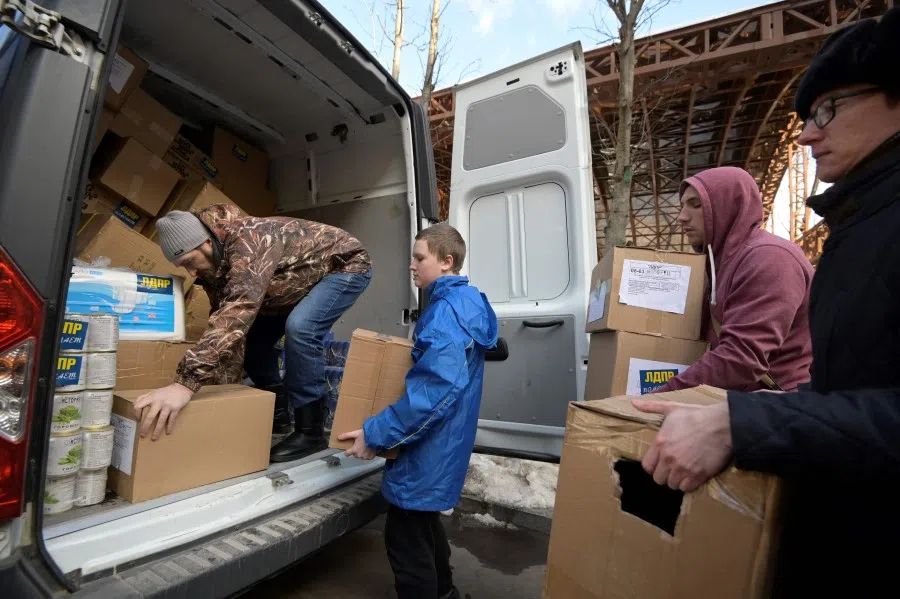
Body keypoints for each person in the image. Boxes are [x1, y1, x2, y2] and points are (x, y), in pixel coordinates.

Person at [632, 8, 900, 596]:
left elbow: (744, 362)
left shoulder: (769, 259)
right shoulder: (857, 223)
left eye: (828, 108)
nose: (806, 133)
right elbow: (848, 381)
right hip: (832, 488)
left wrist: (719, 415)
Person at [134, 204, 372, 463]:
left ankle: (310, 432)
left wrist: (185, 383)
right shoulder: (212, 265)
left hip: (343, 266)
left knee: (301, 329)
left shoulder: (249, 238)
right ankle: (278, 418)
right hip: (289, 283)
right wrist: (218, 399)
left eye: (190, 262)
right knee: (252, 342)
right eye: (183, 267)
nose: (191, 273)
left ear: (205, 243)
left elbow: (239, 310)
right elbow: (227, 328)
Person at [338, 223, 498, 599]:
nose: (412, 265)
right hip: (444, 445)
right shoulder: (467, 303)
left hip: (428, 448)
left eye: (419, 257)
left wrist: (376, 434)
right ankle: (446, 594)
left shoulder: (445, 314)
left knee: (406, 540)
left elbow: (434, 392)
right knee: (423, 525)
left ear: (446, 261)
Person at [652, 166, 814, 393]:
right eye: (682, 206)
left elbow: (742, 358)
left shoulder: (770, 258)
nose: (682, 217)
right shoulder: (716, 265)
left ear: (729, 205)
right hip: (735, 402)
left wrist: (658, 396)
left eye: (696, 205)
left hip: (776, 411)